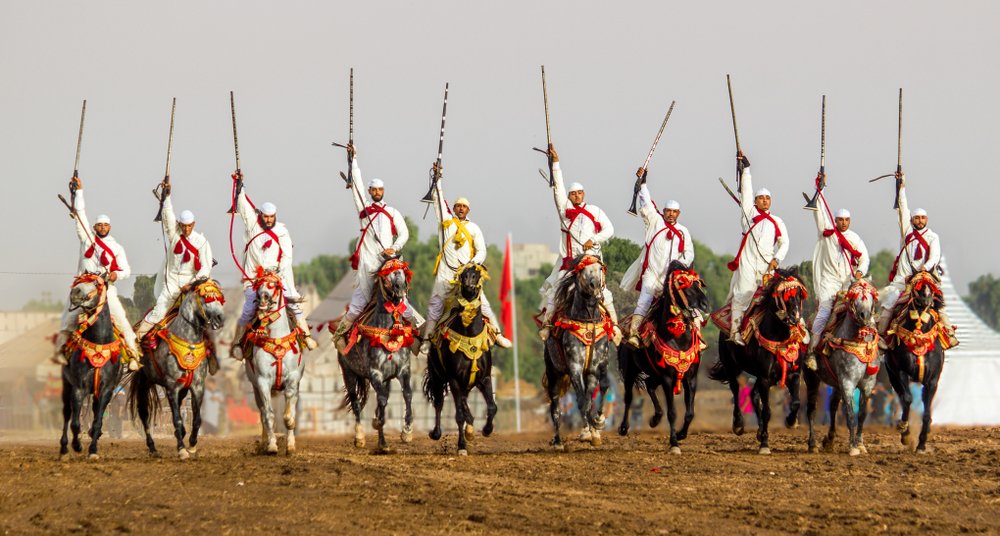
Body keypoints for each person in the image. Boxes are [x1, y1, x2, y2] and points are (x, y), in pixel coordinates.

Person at [331, 145, 424, 353]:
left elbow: (404, 234)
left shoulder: (392, 211)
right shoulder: (363, 208)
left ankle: (420, 337)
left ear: (384, 191)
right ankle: (340, 336)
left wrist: (394, 248)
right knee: (357, 304)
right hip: (367, 261)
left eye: (379, 190)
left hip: (387, 262)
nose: (376, 193)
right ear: (370, 192)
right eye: (373, 190)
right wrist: (353, 160)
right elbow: (356, 185)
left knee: (401, 299)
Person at [416, 164, 512, 356]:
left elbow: (482, 250)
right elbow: (437, 201)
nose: (460, 208)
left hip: (466, 275)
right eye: (458, 206)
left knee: (483, 304)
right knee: (435, 305)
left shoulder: (474, 228)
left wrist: (472, 264)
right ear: (453, 208)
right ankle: (427, 340)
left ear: (468, 209)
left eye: (464, 206)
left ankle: (497, 334)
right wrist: (438, 178)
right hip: (446, 272)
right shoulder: (446, 223)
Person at [52, 177, 141, 370]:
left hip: (105, 289)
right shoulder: (86, 238)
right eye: (99, 225)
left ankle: (134, 355)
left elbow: (126, 269)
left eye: (105, 225)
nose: (102, 227)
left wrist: (117, 275)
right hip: (85, 287)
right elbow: (80, 215)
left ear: (109, 227)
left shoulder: (116, 247)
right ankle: (60, 351)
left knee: (122, 319)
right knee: (69, 318)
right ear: (94, 227)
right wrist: (80, 192)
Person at [135, 181, 221, 374]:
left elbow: (205, 269)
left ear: (194, 224)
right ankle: (136, 343)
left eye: (189, 226)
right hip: (172, 281)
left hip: (193, 283)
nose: (187, 229)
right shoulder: (174, 233)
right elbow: (167, 218)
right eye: (184, 225)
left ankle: (213, 355)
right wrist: (166, 198)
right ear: (180, 224)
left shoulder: (201, 241)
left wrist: (191, 285)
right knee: (159, 312)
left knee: (206, 315)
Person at [537, 145, 620, 341]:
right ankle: (547, 325)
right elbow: (558, 188)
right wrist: (555, 164)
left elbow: (610, 230)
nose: (576, 196)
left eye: (579, 193)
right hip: (570, 263)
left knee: (604, 293)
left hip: (590, 262)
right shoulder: (564, 211)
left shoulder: (595, 211)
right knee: (556, 291)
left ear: (584, 194)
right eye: (573, 193)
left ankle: (615, 327)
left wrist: (594, 239)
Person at [230, 172, 317, 359]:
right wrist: (240, 185)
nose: (269, 220)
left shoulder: (282, 231)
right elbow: (243, 205)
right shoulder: (252, 225)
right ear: (260, 215)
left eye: (271, 217)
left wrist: (276, 271)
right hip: (254, 280)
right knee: (248, 308)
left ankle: (306, 336)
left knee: (293, 302)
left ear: (275, 216)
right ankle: (238, 343)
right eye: (266, 217)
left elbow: (287, 256)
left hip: (278, 278)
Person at [877, 172, 958, 347]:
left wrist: (925, 268)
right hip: (902, 281)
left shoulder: (932, 237)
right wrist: (901, 186)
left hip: (925, 278)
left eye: (922, 218)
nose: (919, 221)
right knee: (888, 307)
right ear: (912, 219)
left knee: (938, 304)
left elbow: (935, 256)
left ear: (926, 219)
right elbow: (903, 208)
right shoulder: (906, 232)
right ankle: (882, 339)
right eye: (916, 218)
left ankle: (949, 333)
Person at [620, 172, 695, 346]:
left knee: (691, 305)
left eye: (674, 212)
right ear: (664, 211)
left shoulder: (684, 231)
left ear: (678, 213)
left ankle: (697, 338)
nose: (670, 214)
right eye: (668, 211)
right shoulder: (655, 222)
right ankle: (634, 333)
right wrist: (643, 183)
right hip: (652, 275)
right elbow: (646, 203)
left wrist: (680, 265)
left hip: (673, 280)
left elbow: (689, 253)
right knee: (644, 301)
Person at [724, 152, 790, 345]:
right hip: (747, 263)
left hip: (767, 266)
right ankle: (735, 331)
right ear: (755, 201)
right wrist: (746, 171)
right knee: (743, 294)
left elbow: (784, 242)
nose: (764, 201)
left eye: (767, 198)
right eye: (760, 198)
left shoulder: (777, 221)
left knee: (780, 296)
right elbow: (746, 192)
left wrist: (777, 259)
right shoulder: (749, 215)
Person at [805, 200, 869, 370]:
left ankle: (873, 349)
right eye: (840, 220)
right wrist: (820, 191)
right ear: (835, 220)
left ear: (850, 221)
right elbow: (819, 214)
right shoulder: (827, 234)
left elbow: (864, 259)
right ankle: (811, 351)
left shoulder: (855, 238)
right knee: (824, 312)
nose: (843, 223)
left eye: (846, 220)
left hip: (848, 283)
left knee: (865, 309)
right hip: (829, 281)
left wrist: (860, 272)